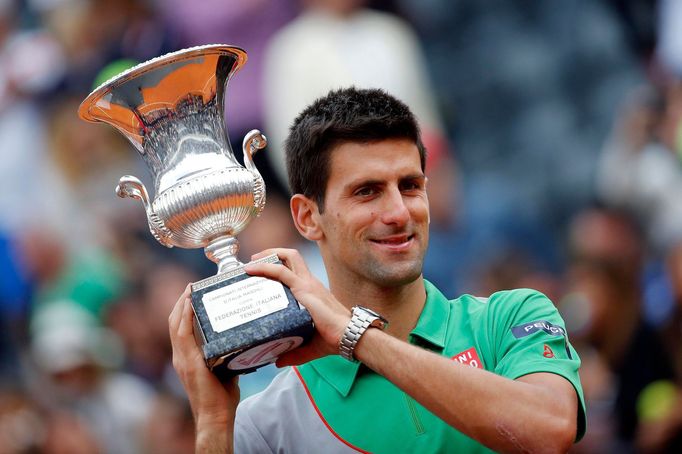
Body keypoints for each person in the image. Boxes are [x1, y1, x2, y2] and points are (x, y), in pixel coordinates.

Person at [169, 87, 586, 453]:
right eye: (366, 192)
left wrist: (356, 336)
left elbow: (549, 432)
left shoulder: (509, 317)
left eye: (410, 186)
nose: (398, 212)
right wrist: (214, 427)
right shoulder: (267, 423)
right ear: (307, 217)